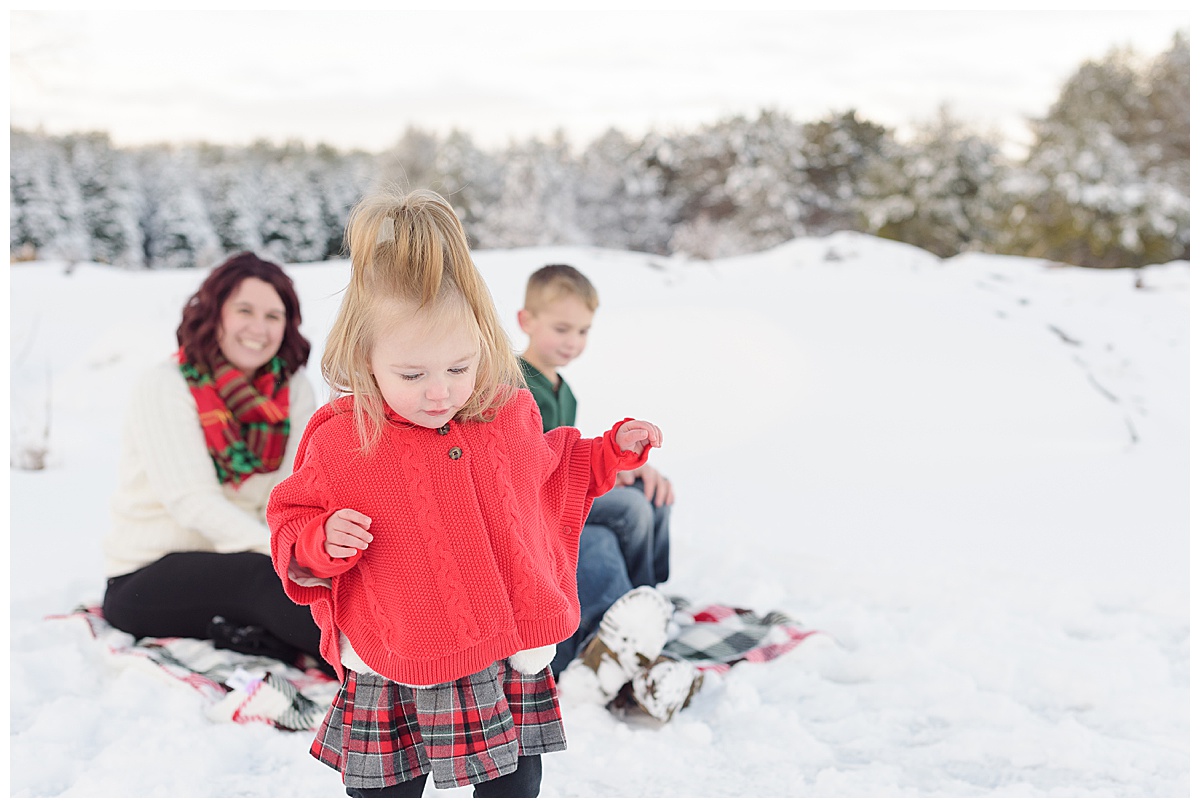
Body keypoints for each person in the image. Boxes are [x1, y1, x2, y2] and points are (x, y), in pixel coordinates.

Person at [266, 189, 664, 798]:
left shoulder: (504, 411)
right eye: (412, 374)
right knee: (388, 790)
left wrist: (611, 450)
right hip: (402, 653)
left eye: (459, 367)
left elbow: (548, 473)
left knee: (513, 781)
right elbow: (290, 526)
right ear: (365, 358)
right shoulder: (346, 440)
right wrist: (320, 542)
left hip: (502, 651)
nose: (439, 392)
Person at [101, 251, 325, 671]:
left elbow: (289, 494)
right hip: (144, 576)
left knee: (334, 575)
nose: (258, 328)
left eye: (273, 316)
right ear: (214, 312)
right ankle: (373, 673)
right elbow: (193, 503)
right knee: (265, 580)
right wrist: (285, 558)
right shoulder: (167, 385)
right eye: (245, 310)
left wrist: (314, 554)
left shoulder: (292, 390)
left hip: (250, 558)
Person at [515, 264, 702, 722]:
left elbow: (571, 448)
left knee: (653, 498)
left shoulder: (565, 389)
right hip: (540, 502)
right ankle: (633, 615)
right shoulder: (517, 382)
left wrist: (617, 469)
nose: (572, 341)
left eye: (583, 331)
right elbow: (535, 461)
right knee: (632, 511)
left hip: (566, 488)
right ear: (526, 321)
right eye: (561, 328)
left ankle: (645, 609)